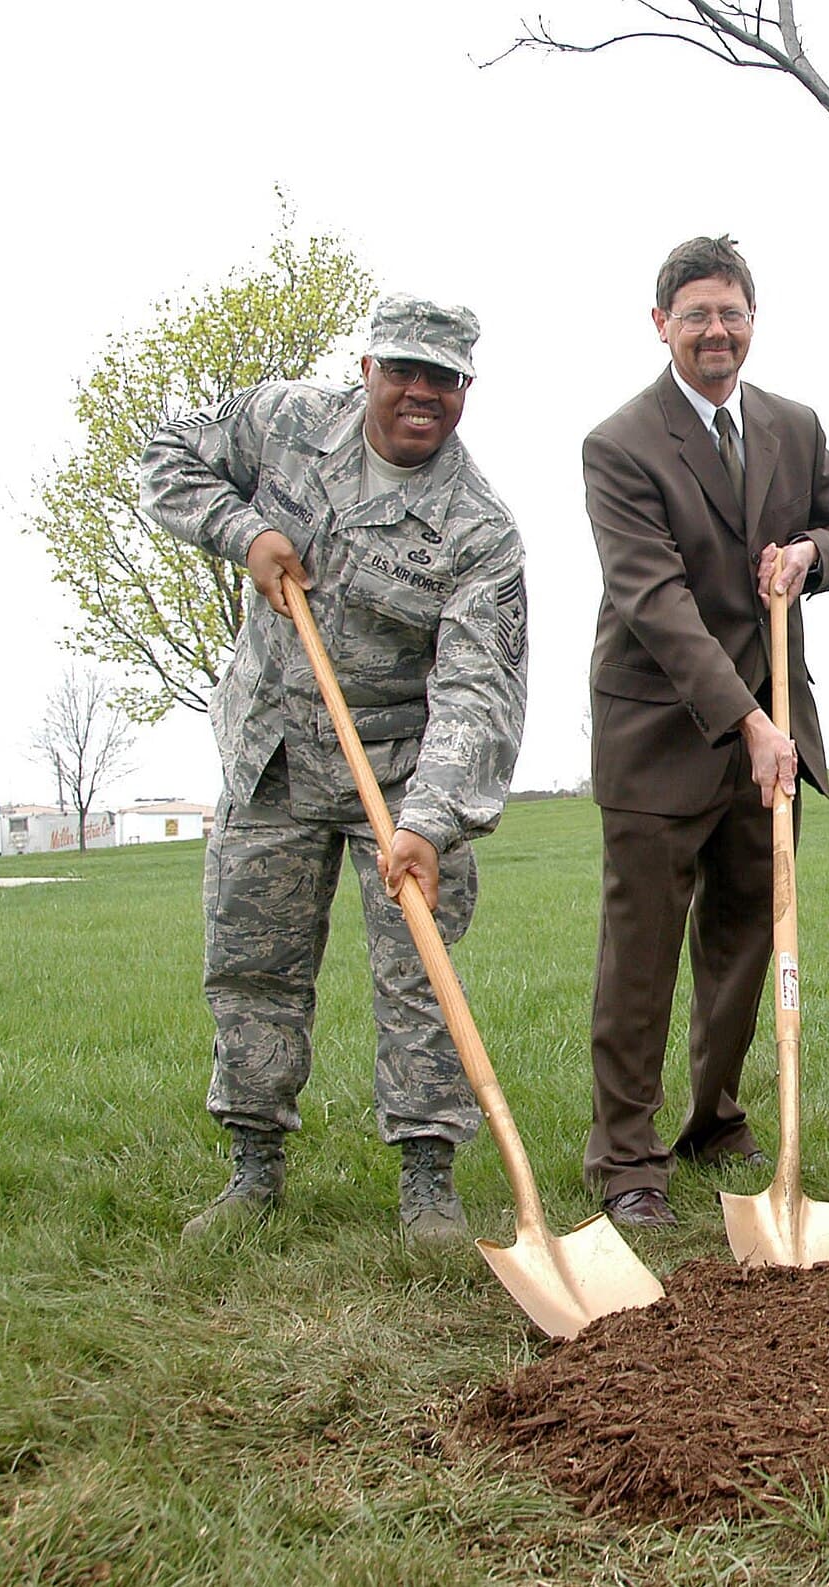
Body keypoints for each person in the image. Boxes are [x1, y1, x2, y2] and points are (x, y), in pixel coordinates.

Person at [139, 295, 529, 1247]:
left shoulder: (479, 533)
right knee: (253, 968)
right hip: (270, 751)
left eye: (442, 378)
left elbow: (478, 692)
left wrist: (427, 823)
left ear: (466, 389)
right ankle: (254, 1168)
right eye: (403, 371)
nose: (420, 394)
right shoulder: (283, 426)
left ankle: (428, 1184)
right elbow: (165, 457)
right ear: (367, 369)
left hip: (396, 771)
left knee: (420, 976)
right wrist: (242, 534)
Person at [582, 235, 829, 1229]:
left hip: (774, 737)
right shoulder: (621, 445)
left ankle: (713, 1120)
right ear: (661, 323)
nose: (718, 331)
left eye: (733, 312)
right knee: (642, 957)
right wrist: (748, 723)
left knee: (745, 943)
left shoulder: (794, 427)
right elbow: (655, 602)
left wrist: (809, 554)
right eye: (697, 314)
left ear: (753, 320)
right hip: (663, 735)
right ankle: (626, 1160)